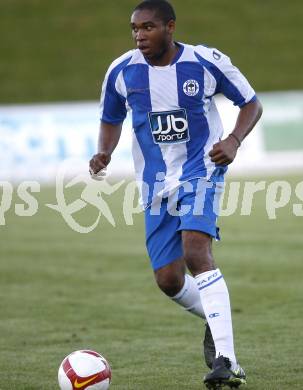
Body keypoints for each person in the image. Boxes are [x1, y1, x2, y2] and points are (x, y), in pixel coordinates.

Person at [89, 0, 263, 388]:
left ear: (170, 27)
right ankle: (216, 323)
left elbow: (251, 103)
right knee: (168, 279)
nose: (139, 35)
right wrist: (104, 151)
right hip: (154, 184)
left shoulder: (205, 62)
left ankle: (227, 361)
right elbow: (110, 118)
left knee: (196, 251)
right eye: (134, 28)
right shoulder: (122, 70)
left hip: (201, 170)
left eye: (148, 27)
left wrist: (233, 140)